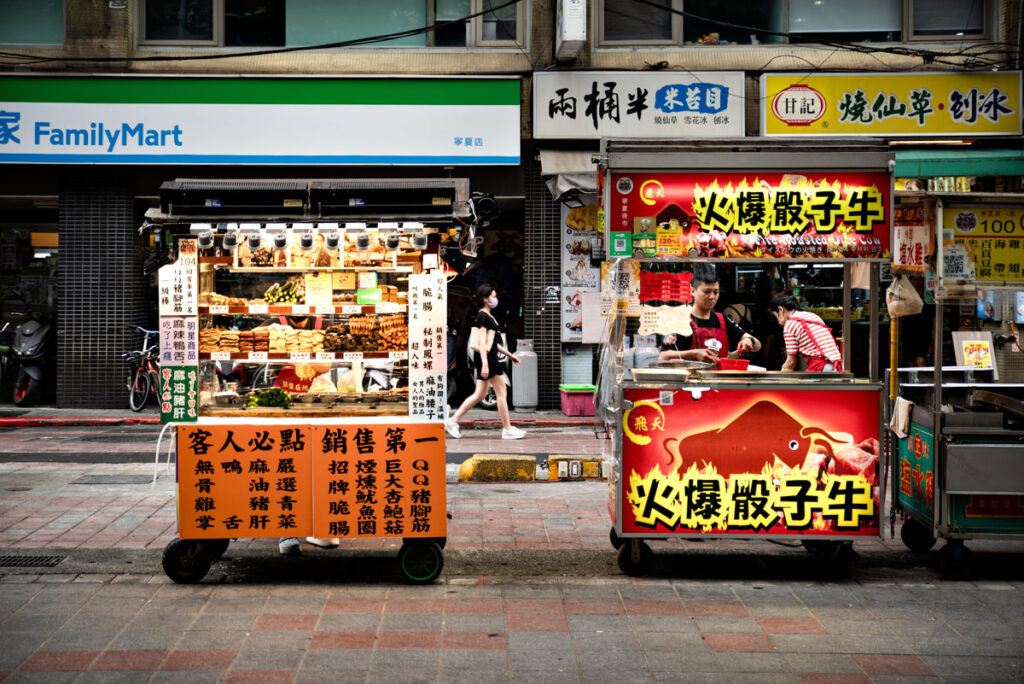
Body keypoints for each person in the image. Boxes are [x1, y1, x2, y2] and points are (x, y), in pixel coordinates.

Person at [446, 284, 524, 440]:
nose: (495, 299)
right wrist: (485, 364)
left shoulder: (488, 316)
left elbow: (492, 343)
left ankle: (453, 421)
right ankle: (507, 428)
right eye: (493, 296)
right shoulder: (483, 316)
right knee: (502, 393)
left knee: (479, 395)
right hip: (489, 360)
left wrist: (510, 355)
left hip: (488, 359)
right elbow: (482, 342)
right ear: (485, 299)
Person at [659, 266, 761, 364]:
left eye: (716, 292)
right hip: (692, 380)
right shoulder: (681, 321)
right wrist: (694, 354)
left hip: (719, 380)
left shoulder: (722, 320)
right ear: (692, 291)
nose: (712, 297)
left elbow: (757, 344)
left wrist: (749, 341)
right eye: (707, 292)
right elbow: (663, 356)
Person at [769, 293, 843, 372]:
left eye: (775, 317)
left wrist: (781, 377)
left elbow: (790, 362)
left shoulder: (790, 324)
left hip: (823, 368)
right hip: (837, 367)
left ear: (780, 310)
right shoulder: (812, 316)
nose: (779, 322)